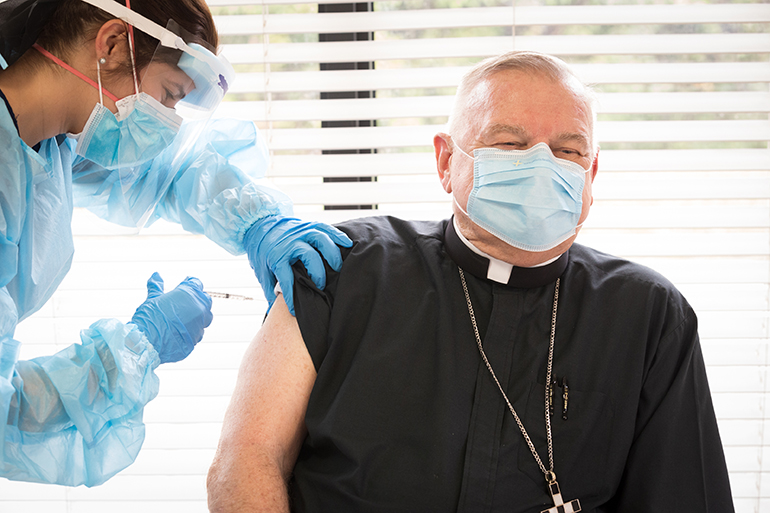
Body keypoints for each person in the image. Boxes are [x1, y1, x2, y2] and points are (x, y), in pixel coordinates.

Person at [207, 51, 735, 512]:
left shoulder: (648, 316)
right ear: (446, 161)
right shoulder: (340, 267)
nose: (541, 167)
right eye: (509, 143)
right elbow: (246, 459)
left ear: (591, 175)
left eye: (569, 151)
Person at [0, 0, 351, 487]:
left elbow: (170, 172)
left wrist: (260, 223)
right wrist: (136, 350)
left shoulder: (47, 140)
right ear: (112, 44)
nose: (166, 125)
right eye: (168, 95)